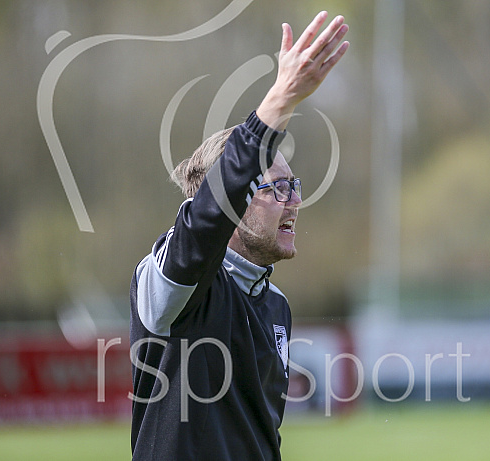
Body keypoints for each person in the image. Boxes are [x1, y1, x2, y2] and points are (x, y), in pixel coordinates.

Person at [129, 11, 349, 460]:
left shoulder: (276, 306)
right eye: (276, 188)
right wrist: (278, 103)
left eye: (295, 186)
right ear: (231, 200)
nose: (294, 202)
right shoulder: (175, 285)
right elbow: (204, 223)